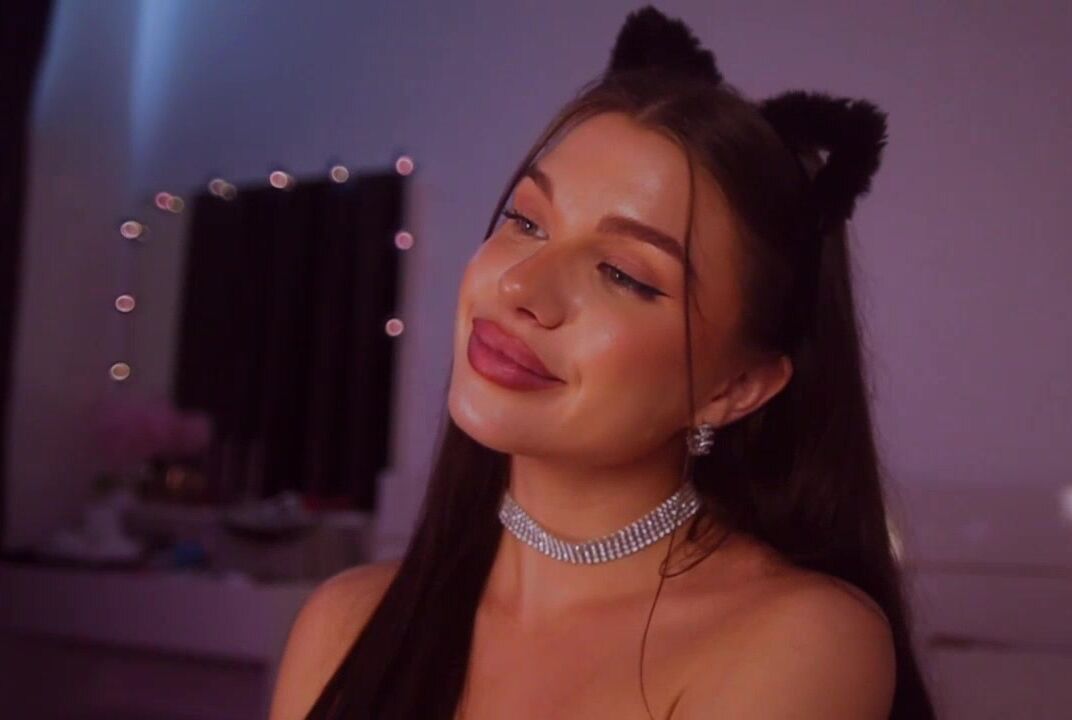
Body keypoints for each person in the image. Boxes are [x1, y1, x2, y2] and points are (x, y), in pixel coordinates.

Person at [270, 6, 937, 719]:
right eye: (526, 222)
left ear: (737, 388)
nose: (521, 287)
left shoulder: (801, 642)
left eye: (623, 273)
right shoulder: (344, 624)